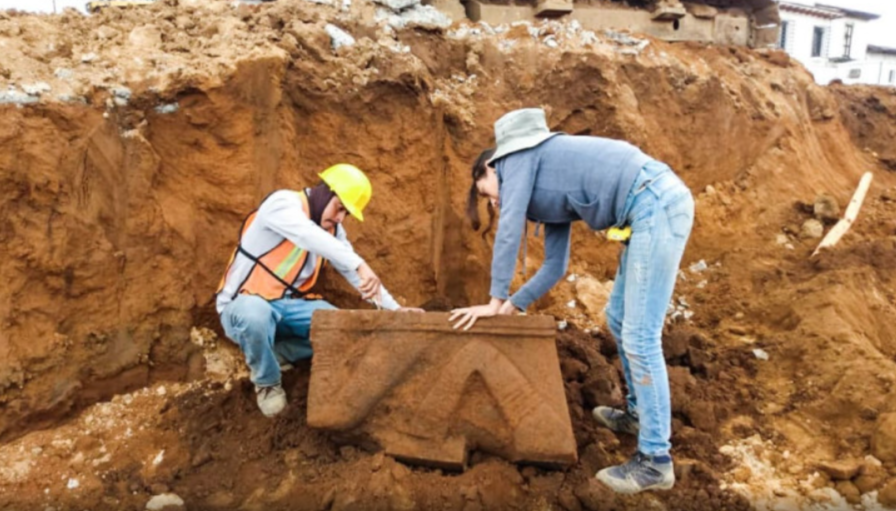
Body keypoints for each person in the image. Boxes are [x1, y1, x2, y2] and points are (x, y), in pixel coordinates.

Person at [450, 108, 694, 494]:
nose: (493, 205)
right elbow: (554, 267)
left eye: (486, 194)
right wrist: (512, 305)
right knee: (617, 317)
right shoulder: (548, 184)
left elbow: (509, 230)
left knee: (640, 336)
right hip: (648, 206)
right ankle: (637, 414)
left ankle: (655, 461)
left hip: (655, 203)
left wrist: (494, 299)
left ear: (491, 168)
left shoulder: (517, 160)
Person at [216, 164, 422, 418]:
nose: (339, 218)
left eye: (346, 214)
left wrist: (396, 310)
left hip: (287, 307)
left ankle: (276, 353)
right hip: (242, 307)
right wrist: (360, 264)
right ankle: (267, 383)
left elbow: (352, 271)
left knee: (341, 328)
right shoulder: (282, 204)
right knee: (255, 313)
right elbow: (307, 236)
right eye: (339, 208)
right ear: (325, 192)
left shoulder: (332, 230)